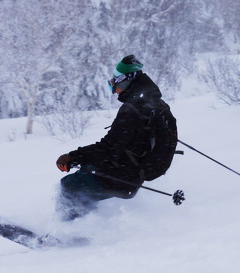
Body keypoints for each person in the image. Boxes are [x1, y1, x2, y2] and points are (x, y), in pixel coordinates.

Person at [55, 55, 166, 220]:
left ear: (127, 80)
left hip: (124, 176)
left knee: (70, 184)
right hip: (135, 171)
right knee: (86, 170)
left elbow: (108, 148)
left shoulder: (133, 111)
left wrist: (72, 157)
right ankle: (86, 224)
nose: (114, 90)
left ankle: (67, 231)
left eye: (115, 83)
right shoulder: (157, 106)